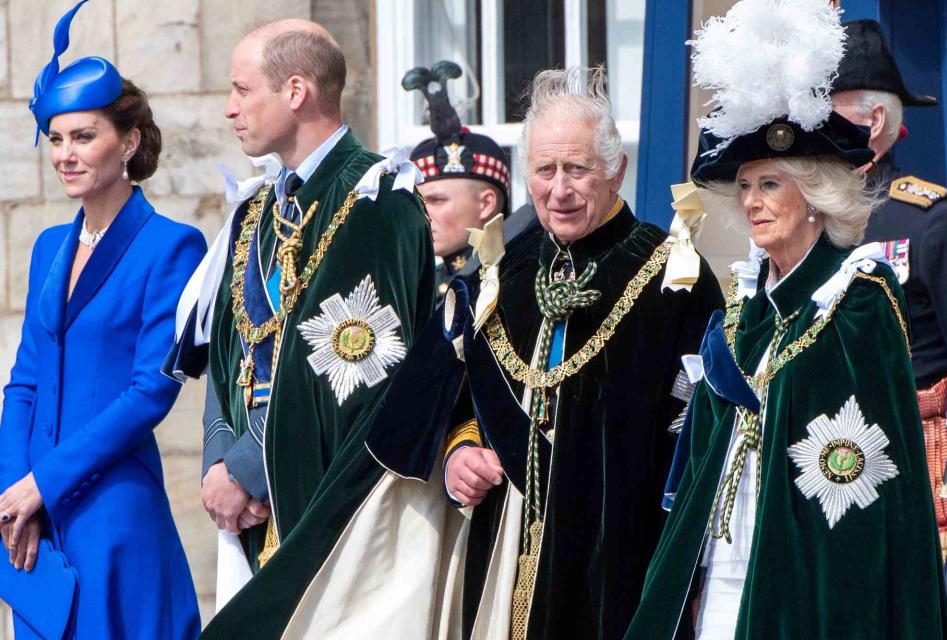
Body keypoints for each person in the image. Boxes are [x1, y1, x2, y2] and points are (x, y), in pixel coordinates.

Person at [364, 65, 723, 639]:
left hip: (621, 559)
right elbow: (458, 397)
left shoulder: (674, 278)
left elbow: (699, 434)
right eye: (545, 169)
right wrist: (461, 452)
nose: (559, 190)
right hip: (504, 550)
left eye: (578, 169)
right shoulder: (503, 271)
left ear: (616, 171)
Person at [627, 2, 947, 638]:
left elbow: (873, 482)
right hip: (725, 555)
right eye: (745, 185)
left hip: (813, 567)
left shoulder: (859, 297)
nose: (751, 201)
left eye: (771, 184)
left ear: (813, 195)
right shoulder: (744, 311)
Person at [165, 18, 435, 638]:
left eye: (242, 89)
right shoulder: (256, 208)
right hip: (244, 501)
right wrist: (217, 464)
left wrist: (247, 469)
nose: (230, 109)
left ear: (294, 91)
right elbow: (227, 352)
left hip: (322, 498)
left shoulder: (376, 197)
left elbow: (354, 372)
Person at [0, 1, 204, 638]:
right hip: (35, 521)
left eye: (84, 136)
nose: (65, 153)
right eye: (57, 137)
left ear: (130, 141)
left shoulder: (172, 245)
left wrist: (45, 483)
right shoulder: (46, 249)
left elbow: (151, 391)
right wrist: (14, 495)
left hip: (112, 508)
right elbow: (25, 383)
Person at [830, 19, 947, 553]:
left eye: (827, 113)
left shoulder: (931, 219)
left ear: (873, 120)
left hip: (916, 446)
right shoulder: (813, 219)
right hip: (830, 450)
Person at [402, 60, 512, 304]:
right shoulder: (422, 286)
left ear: (486, 204)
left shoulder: (515, 278)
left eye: (436, 200)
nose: (423, 214)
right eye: (419, 202)